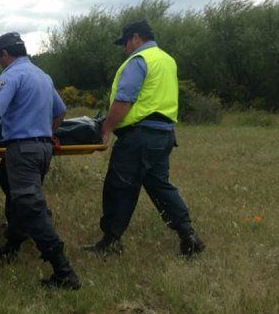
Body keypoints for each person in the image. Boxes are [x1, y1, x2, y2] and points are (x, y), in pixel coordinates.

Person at [0, 32, 81, 290]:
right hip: (42, 149)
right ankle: (11, 246)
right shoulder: (42, 75)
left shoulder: (10, 76)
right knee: (10, 185)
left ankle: (64, 272)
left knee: (30, 205)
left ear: (5, 54)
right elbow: (61, 110)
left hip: (24, 150)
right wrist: (50, 134)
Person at [84, 20, 205, 256]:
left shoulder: (138, 60)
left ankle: (111, 242)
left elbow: (123, 101)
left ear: (135, 38)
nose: (124, 48)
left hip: (139, 136)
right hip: (164, 135)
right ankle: (188, 234)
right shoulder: (167, 60)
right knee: (159, 185)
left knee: (119, 187)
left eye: (125, 43)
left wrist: (107, 128)